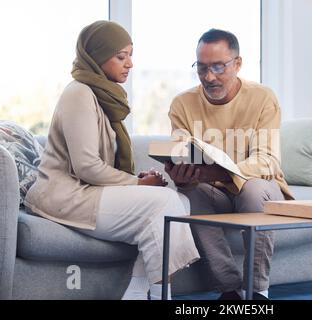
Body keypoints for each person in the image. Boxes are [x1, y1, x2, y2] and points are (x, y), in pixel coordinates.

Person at [24, 21, 199, 300]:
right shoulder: (79, 93)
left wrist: (140, 180)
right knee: (166, 202)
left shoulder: (104, 96)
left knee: (180, 200)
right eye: (121, 56)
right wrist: (137, 184)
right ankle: (160, 294)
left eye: (131, 54)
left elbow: (103, 163)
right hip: (66, 195)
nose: (129, 63)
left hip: (90, 189)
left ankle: (138, 290)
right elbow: (85, 166)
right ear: (97, 55)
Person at [165, 29, 294, 300]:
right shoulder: (182, 104)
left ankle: (257, 290)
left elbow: (267, 160)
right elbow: (183, 155)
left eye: (218, 67)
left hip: (259, 190)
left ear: (238, 64)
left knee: (253, 189)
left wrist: (225, 170)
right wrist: (182, 176)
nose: (209, 77)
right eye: (201, 68)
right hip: (215, 195)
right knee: (188, 192)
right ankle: (230, 290)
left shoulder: (262, 98)